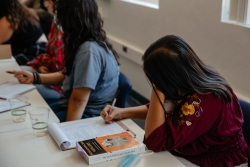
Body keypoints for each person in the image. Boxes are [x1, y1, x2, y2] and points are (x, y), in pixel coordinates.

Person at [101, 35, 250, 167]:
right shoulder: (194, 80)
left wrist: (157, 88)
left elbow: (154, 141)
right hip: (195, 153)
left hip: (219, 162)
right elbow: (164, 111)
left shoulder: (203, 101)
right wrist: (122, 112)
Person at [8, 0, 120, 122]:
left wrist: (68, 131)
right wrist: (35, 78)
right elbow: (69, 76)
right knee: (33, 118)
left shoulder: (88, 50)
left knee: (34, 123)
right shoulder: (86, 41)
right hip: (73, 106)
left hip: (87, 115)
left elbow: (79, 100)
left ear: (69, 18)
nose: (56, 18)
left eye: (58, 14)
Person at [26, 0, 64, 99]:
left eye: (47, 1)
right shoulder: (56, 23)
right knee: (18, 74)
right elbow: (50, 54)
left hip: (61, 86)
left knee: (22, 86)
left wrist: (38, 76)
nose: (45, 4)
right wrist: (41, 66)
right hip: (49, 72)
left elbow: (63, 73)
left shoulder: (65, 30)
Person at [0, 0, 47, 65]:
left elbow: (0, 41)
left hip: (34, 51)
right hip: (22, 48)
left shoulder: (9, 19)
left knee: (5, 62)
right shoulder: (17, 10)